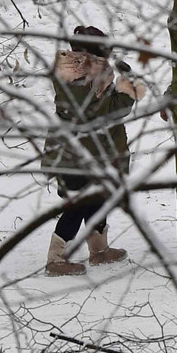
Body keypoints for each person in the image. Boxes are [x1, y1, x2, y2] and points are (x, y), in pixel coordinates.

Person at [41, 24, 145, 276]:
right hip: (82, 154)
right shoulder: (86, 76)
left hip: (88, 152)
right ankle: (55, 260)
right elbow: (110, 111)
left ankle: (99, 250)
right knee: (77, 205)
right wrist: (128, 87)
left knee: (97, 199)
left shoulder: (78, 72)